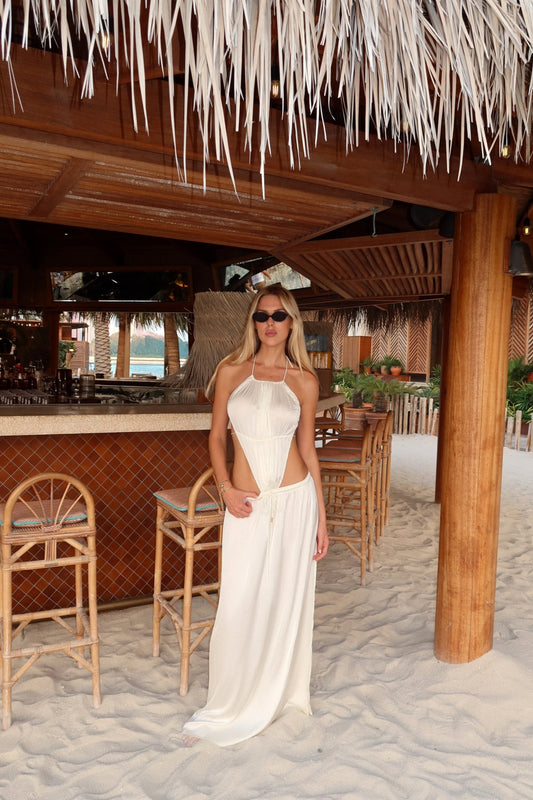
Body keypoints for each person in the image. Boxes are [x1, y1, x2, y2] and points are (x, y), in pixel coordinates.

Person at [182, 286, 328, 747]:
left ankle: (278, 695)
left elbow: (308, 450)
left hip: (295, 501)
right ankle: (233, 700)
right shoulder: (230, 371)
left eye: (279, 316)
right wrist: (225, 489)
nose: (270, 323)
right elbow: (216, 438)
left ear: (292, 323)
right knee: (240, 600)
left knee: (285, 601)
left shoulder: (304, 380)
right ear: (252, 322)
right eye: (262, 315)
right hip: (246, 505)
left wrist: (322, 519)